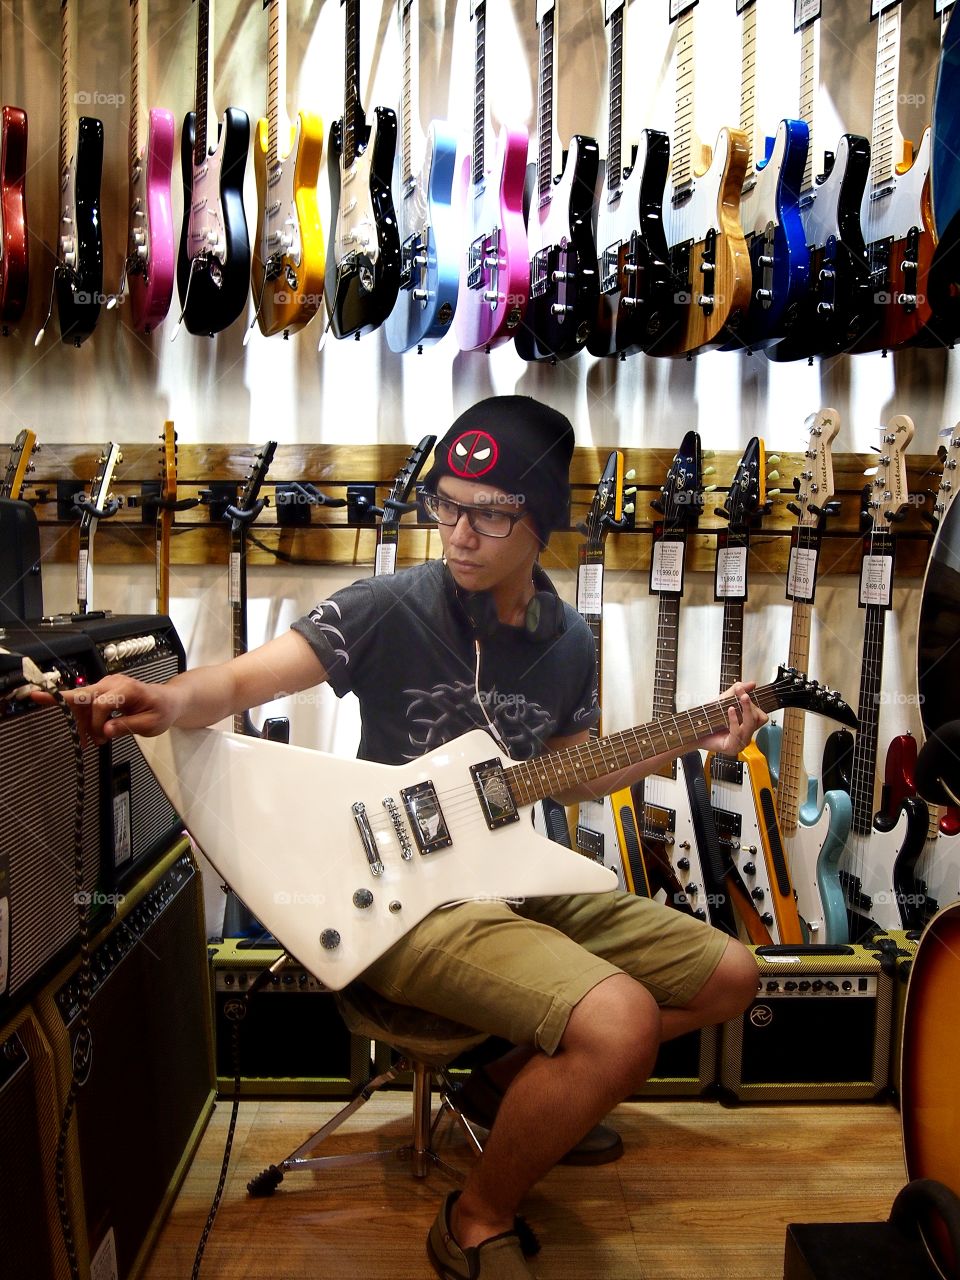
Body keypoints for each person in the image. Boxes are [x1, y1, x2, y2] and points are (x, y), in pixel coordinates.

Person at [59, 396, 763, 1280]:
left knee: (733, 973)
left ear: (540, 521)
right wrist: (165, 701)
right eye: (447, 503)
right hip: (401, 900)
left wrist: (687, 739)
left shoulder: (571, 641)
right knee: (618, 1025)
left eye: (489, 511)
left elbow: (576, 772)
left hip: (514, 876)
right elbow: (243, 681)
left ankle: (508, 1089)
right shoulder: (391, 606)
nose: (459, 533)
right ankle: (475, 1215)